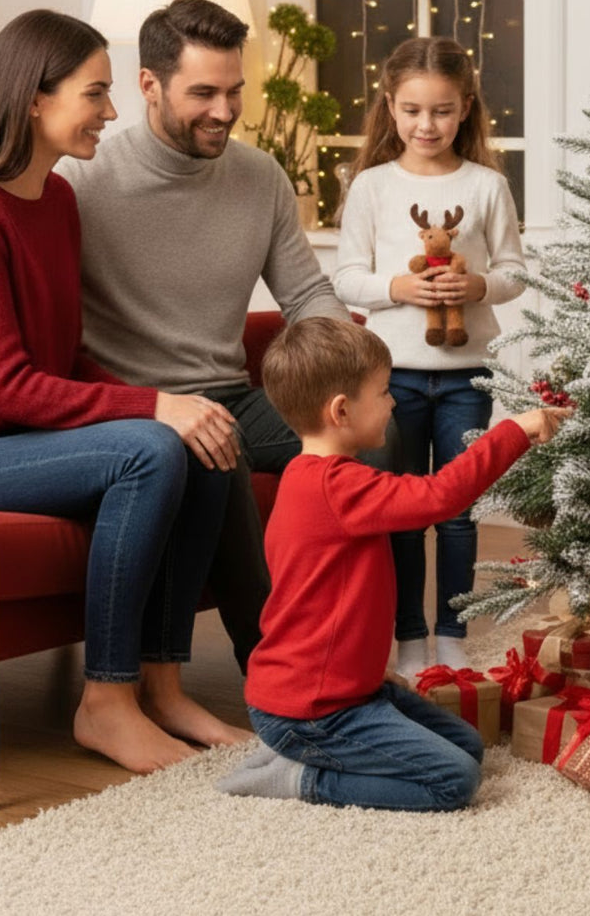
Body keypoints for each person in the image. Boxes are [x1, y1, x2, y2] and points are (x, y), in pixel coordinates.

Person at [0, 9, 249, 774]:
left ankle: (163, 688)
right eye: (95, 93)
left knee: (204, 439)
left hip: (20, 439)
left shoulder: (55, 200)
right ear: (34, 99)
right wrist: (154, 406)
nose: (111, 113)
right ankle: (106, 701)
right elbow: (5, 388)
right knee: (152, 450)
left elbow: (67, 357)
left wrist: (176, 408)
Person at [57, 0, 352, 672]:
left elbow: (306, 293)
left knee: (374, 431)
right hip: (136, 409)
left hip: (232, 393)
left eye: (234, 91)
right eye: (203, 94)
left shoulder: (260, 176)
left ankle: (361, 644)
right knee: (218, 449)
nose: (224, 110)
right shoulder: (80, 179)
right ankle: (282, 671)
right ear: (149, 85)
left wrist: (356, 366)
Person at [216, 317, 568, 810]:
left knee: (467, 745)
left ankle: (314, 749)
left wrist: (362, 669)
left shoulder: (310, 477)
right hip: (313, 711)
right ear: (341, 410)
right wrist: (515, 429)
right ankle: (301, 776)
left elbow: (314, 600)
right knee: (454, 779)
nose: (393, 402)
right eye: (383, 392)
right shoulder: (339, 486)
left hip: (340, 691)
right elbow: (441, 496)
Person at [331, 37, 527, 680]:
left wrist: (477, 286)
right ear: (390, 106)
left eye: (442, 111)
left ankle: (452, 634)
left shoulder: (488, 185)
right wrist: (399, 288)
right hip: (393, 379)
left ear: (466, 107)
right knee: (403, 513)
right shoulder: (371, 187)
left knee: (459, 515)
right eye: (413, 110)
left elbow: (514, 272)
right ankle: (409, 637)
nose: (426, 125)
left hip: (468, 376)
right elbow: (346, 277)